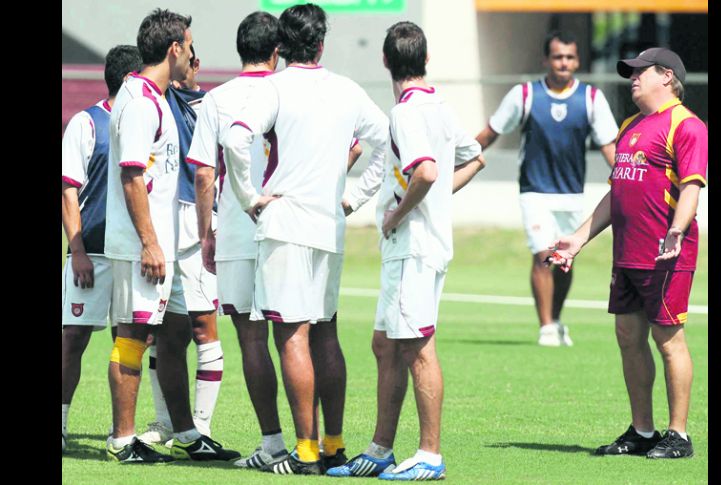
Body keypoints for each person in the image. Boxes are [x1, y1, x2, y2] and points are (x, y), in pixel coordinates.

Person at [222, 3, 389, 475]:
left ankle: (306, 450)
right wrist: (354, 196)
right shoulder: (347, 89)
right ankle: (334, 444)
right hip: (328, 227)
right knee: (327, 332)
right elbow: (385, 139)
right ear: (321, 43)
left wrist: (249, 196)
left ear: (280, 47)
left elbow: (237, 139)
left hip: (286, 223)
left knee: (291, 335)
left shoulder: (274, 87)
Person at [327, 21, 486, 481]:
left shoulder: (405, 112)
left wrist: (397, 214)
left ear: (384, 61)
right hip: (420, 246)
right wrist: (430, 202)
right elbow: (475, 156)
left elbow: (428, 172)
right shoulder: (437, 104)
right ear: (426, 59)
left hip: (412, 245)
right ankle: (380, 448)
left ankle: (430, 455)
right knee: (385, 345)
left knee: (417, 347)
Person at [548, 47, 707, 459]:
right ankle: (642, 430)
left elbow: (691, 187)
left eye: (641, 72)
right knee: (627, 336)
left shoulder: (687, 126)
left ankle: (679, 436)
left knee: (667, 338)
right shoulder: (631, 125)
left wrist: (677, 229)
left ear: (667, 77)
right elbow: (618, 189)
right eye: (631, 72)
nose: (632, 77)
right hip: (628, 256)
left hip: (666, 254)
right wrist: (579, 238)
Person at [103, 8, 237, 463]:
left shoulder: (155, 96)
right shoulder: (140, 100)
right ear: (174, 47)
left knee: (175, 334)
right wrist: (149, 241)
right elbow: (131, 177)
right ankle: (123, 440)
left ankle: (186, 432)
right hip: (146, 246)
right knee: (134, 334)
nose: (192, 55)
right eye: (190, 45)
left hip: (170, 245)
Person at [185, 11, 291, 469]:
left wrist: (206, 232)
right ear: (276, 52)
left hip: (236, 227)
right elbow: (351, 148)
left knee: (252, 339)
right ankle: (315, 444)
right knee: (298, 334)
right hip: (291, 225)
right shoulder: (293, 91)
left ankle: (272, 442)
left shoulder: (217, 99)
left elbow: (205, 172)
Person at [475, 31, 619, 346]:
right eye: (557, 56)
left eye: (569, 57)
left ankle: (555, 319)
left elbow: (610, 147)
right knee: (543, 254)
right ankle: (546, 328)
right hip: (535, 191)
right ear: (546, 60)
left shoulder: (591, 99)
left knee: (563, 259)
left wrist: (630, 179)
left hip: (570, 195)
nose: (563, 62)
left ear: (577, 60)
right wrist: (459, 161)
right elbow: (490, 133)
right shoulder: (524, 95)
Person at [138, 43, 225, 447]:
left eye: (189, 58)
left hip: (200, 218)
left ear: (196, 64)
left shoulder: (213, 104)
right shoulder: (158, 98)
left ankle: (202, 427)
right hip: (165, 219)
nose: (180, 67)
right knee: (160, 331)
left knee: (204, 327)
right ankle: (168, 423)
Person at [62, 45, 143, 453]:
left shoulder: (143, 122)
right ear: (130, 80)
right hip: (91, 252)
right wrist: (76, 250)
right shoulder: (86, 123)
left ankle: (124, 432)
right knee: (73, 337)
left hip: (131, 254)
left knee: (131, 338)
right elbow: (69, 190)